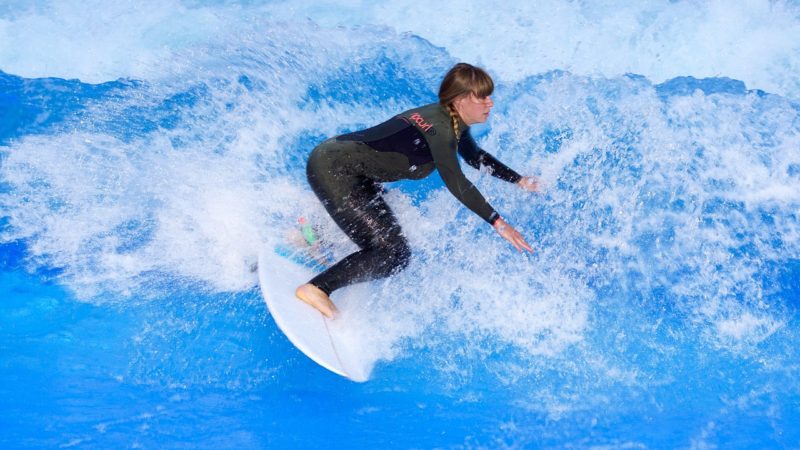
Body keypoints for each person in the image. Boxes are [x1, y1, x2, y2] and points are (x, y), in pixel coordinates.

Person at [295, 63, 539, 318]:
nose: (489, 103)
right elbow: (457, 182)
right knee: (392, 254)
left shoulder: (451, 121)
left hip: (349, 168)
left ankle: (310, 234)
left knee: (382, 228)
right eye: (482, 97)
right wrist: (499, 223)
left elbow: (474, 157)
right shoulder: (440, 130)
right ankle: (317, 288)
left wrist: (519, 180)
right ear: (460, 100)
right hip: (335, 170)